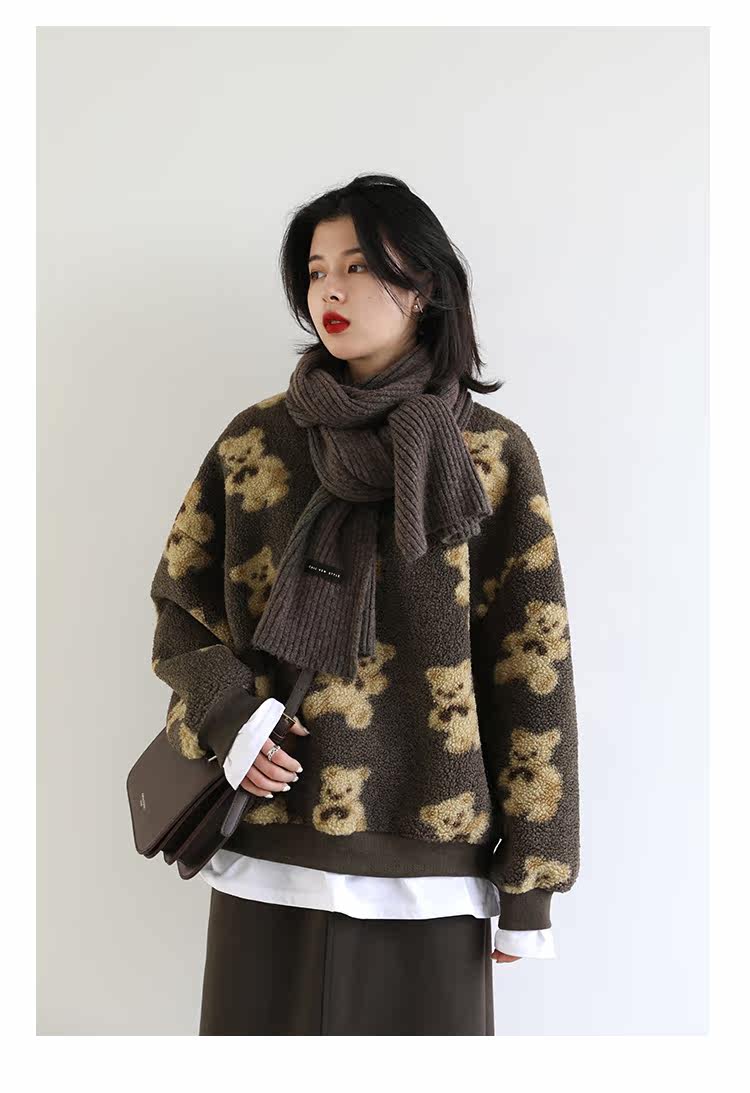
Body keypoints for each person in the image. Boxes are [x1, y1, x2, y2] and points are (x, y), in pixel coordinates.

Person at [149, 173, 580, 1036]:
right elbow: (180, 605)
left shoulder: (491, 456)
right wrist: (232, 715)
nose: (330, 292)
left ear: (422, 286)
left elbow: (532, 667)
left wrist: (532, 879)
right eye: (316, 272)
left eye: (357, 267)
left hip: (432, 869)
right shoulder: (256, 439)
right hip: (270, 849)